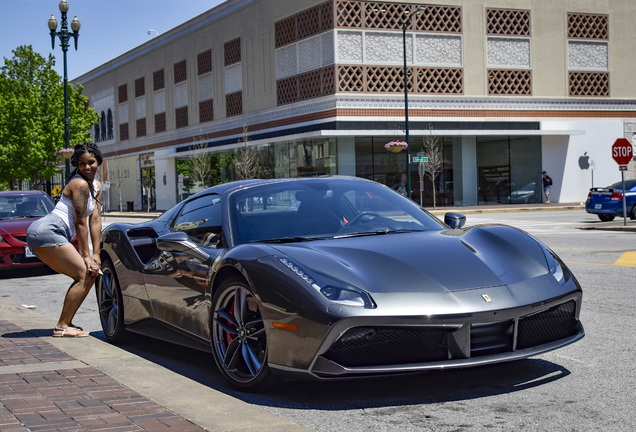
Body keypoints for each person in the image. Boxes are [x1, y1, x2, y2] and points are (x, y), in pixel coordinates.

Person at [27, 143, 103, 337]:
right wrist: (87, 256)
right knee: (84, 274)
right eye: (82, 164)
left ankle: (65, 324)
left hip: (50, 232)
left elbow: (94, 220)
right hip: (47, 230)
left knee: (89, 274)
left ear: (99, 161)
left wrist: (96, 253)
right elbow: (80, 222)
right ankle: (62, 325)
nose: (87, 167)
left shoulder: (96, 186)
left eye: (91, 163)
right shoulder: (80, 184)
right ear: (77, 165)